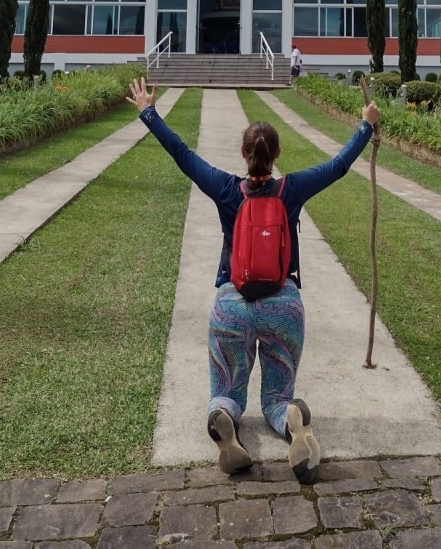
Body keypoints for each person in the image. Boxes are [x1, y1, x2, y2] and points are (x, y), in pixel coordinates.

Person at [126, 76, 381, 484]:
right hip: (284, 304)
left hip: (231, 305)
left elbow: (182, 154)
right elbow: (338, 166)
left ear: (244, 154)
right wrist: (365, 125)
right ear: (277, 153)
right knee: (277, 396)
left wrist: (149, 112)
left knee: (227, 387)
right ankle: (291, 420)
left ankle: (224, 416)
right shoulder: (291, 189)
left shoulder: (227, 189)